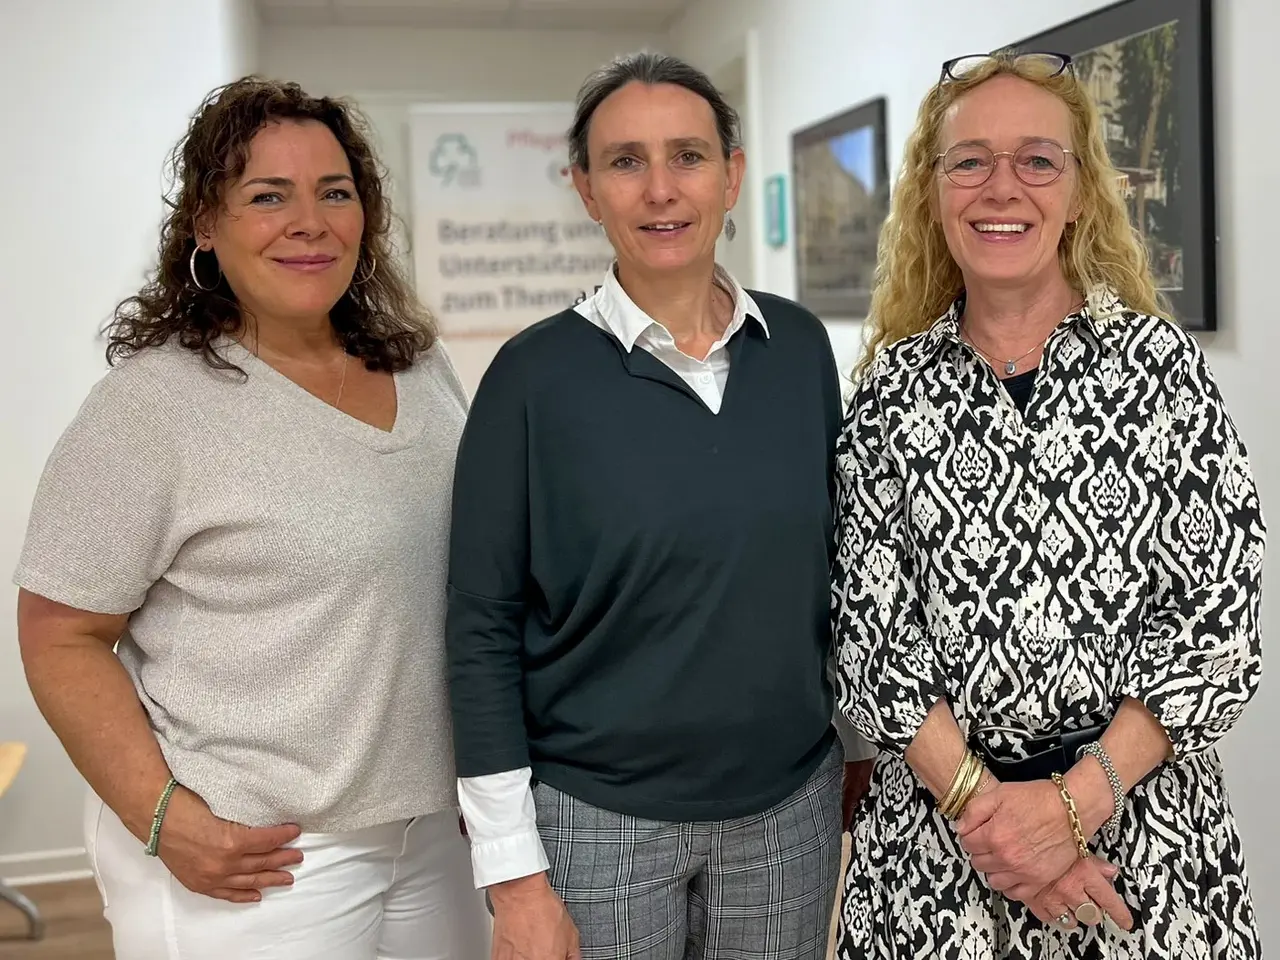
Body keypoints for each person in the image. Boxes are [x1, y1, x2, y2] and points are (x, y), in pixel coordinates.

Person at [13, 77, 491, 959]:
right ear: (205, 224)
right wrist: (162, 816)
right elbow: (59, 635)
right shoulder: (151, 408)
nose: (308, 222)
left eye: (333, 193)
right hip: (254, 854)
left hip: (433, 833)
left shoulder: (423, 373)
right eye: (267, 196)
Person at [830, 50, 1265, 959]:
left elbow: (1216, 625)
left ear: (1077, 190)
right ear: (934, 189)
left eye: (1037, 159)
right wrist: (1008, 830)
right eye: (970, 161)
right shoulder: (889, 395)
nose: (1003, 188)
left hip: (1145, 850)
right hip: (940, 858)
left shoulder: (1163, 372)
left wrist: (1072, 808)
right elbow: (874, 645)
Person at [445, 51, 876, 960]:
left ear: (731, 175)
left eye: (686, 155)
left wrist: (858, 746)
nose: (660, 189)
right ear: (586, 189)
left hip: (788, 812)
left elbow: (833, 572)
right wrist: (512, 872)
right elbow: (480, 625)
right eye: (625, 161)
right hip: (595, 822)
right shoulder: (530, 379)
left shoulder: (798, 349)